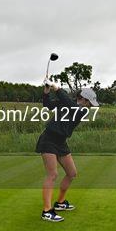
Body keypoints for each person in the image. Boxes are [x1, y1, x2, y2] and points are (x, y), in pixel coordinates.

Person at [36, 84, 99, 222]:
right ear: (83, 99)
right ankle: (46, 211)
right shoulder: (66, 103)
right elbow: (47, 105)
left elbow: (71, 105)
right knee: (52, 174)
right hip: (49, 139)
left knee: (72, 173)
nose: (90, 106)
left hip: (61, 142)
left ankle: (60, 203)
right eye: (89, 103)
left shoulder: (81, 111)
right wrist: (46, 92)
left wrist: (57, 89)